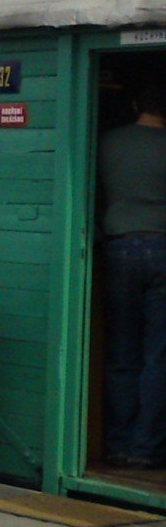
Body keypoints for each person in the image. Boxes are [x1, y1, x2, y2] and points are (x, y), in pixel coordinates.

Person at [99, 82, 166, 469]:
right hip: (162, 246)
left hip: (119, 247)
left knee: (123, 353)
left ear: (137, 101)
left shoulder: (109, 143)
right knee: (158, 355)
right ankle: (147, 449)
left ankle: (118, 444)